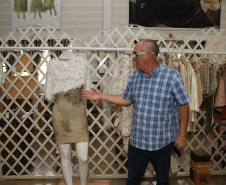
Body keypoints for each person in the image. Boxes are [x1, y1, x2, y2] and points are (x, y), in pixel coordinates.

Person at [82, 39, 191, 185]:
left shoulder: (172, 76)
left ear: (149, 55)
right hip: (137, 143)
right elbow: (125, 99)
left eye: (135, 54)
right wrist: (101, 96)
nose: (133, 58)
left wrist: (182, 135)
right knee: (133, 180)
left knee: (163, 181)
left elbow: (184, 105)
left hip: (161, 144)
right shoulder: (134, 77)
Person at [45, 51, 90, 185]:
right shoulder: (52, 66)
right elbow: (49, 93)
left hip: (78, 114)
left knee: (83, 157)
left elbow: (87, 89)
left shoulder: (83, 64)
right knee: (65, 155)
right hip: (60, 114)